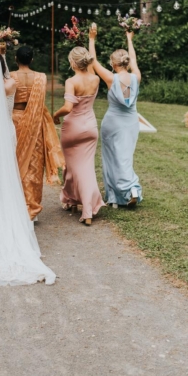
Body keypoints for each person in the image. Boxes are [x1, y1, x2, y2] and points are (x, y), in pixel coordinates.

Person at [0, 59, 56, 286]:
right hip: (6, 134)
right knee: (7, 178)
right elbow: (8, 82)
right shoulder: (10, 85)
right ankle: (9, 223)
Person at [88, 24, 142, 208]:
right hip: (131, 123)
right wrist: (129, 39)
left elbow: (93, 61)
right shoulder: (136, 76)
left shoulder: (111, 78)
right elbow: (134, 59)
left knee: (111, 157)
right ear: (126, 62)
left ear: (113, 64)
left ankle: (117, 196)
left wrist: (92, 39)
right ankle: (129, 190)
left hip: (113, 123)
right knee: (126, 156)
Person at [10, 46, 64, 220]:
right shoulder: (41, 77)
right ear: (32, 59)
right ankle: (31, 206)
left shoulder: (9, 76)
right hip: (35, 122)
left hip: (15, 120)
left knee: (16, 162)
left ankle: (17, 206)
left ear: (16, 59)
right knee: (34, 165)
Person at [53, 47, 104, 226]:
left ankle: (85, 209)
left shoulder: (71, 81)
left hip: (73, 128)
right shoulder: (95, 79)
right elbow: (91, 69)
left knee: (73, 167)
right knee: (83, 167)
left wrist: (55, 115)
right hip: (90, 128)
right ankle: (72, 199)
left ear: (73, 63)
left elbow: (68, 107)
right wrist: (91, 40)